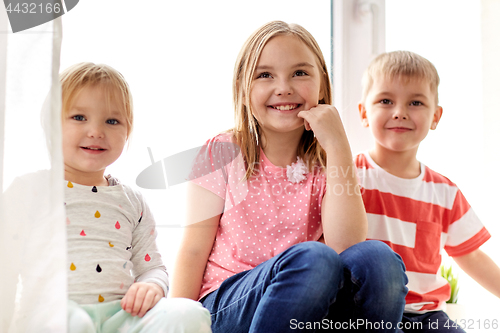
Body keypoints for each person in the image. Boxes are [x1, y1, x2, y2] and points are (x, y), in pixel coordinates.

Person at [170, 21, 408, 333]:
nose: (284, 87)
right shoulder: (223, 151)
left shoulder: (328, 164)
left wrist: (337, 145)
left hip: (308, 308)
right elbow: (193, 249)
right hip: (229, 305)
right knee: (314, 258)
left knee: (377, 258)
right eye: (265, 75)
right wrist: (173, 323)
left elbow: (346, 246)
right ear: (243, 88)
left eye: (299, 73)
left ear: (321, 85)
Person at [61, 62, 212, 333]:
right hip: (58, 314)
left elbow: (152, 266)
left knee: (188, 313)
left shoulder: (131, 201)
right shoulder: (31, 191)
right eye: (79, 117)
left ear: (127, 131)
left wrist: (151, 286)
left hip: (120, 317)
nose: (96, 131)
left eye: (112, 121)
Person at [356, 50, 500, 332]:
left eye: (416, 102)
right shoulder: (348, 176)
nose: (400, 111)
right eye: (386, 100)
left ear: (435, 116)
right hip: (365, 313)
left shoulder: (445, 192)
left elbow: (470, 256)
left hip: (427, 318)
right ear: (364, 112)